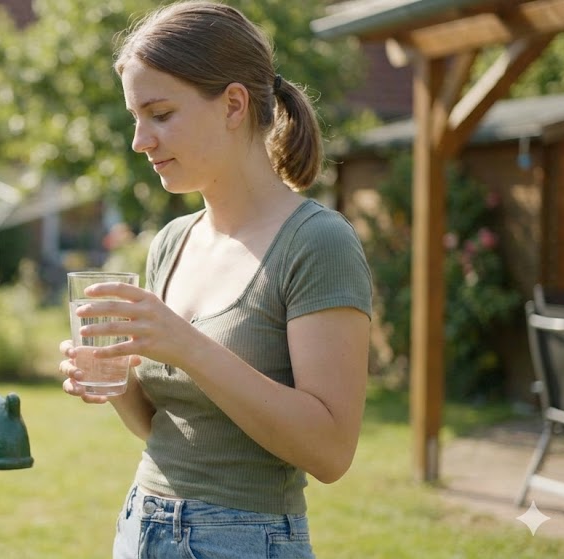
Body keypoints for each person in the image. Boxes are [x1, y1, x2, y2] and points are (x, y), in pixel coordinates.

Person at [57, 2, 373, 558]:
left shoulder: (317, 242)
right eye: (136, 117)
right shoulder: (172, 242)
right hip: (141, 525)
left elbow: (330, 452)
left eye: (159, 114)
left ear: (232, 104)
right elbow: (164, 427)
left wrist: (186, 345)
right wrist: (114, 379)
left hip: (244, 540)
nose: (140, 140)